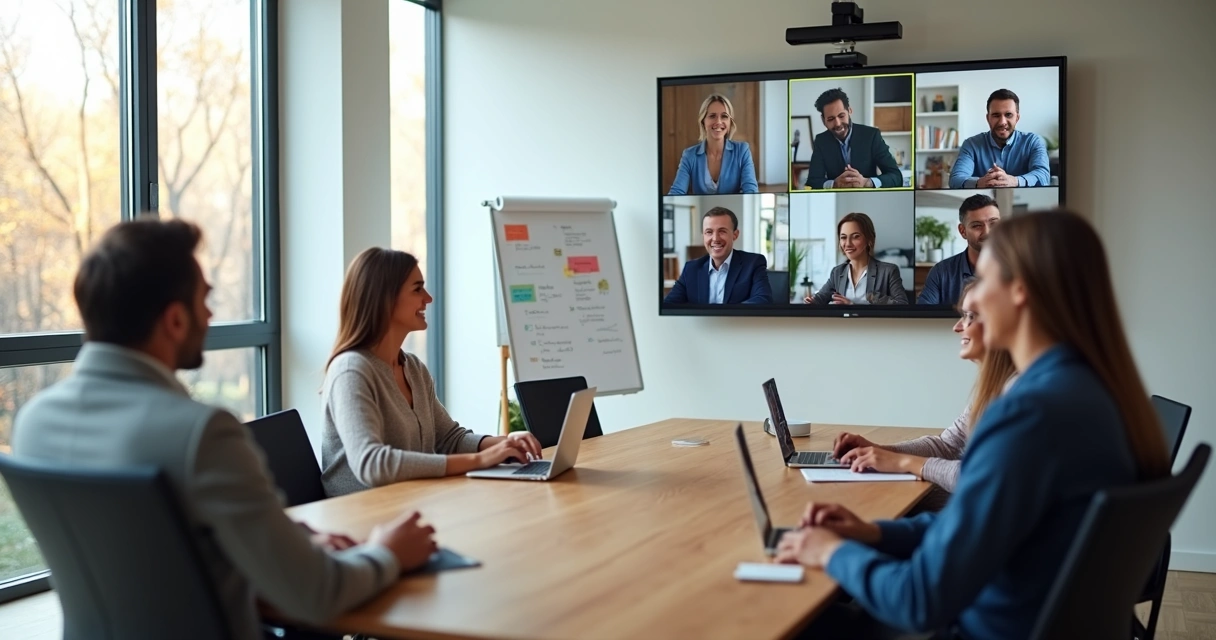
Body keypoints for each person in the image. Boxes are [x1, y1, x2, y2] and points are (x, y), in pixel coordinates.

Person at [12, 218, 438, 640]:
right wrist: (387, 552)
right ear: (175, 320)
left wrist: (295, 537)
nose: (212, 314)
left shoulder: (32, 424)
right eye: (205, 300)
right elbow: (317, 595)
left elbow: (154, 556)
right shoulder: (202, 434)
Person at [776, 210, 1169, 640]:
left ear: (1020, 290)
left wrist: (833, 553)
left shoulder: (1029, 414)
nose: (972, 302)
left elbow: (920, 600)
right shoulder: (1093, 391)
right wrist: (871, 532)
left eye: (982, 281)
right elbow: (974, 524)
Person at [321, 248, 544, 497]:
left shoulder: (413, 368)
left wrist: (504, 444)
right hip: (360, 518)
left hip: (410, 504)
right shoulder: (351, 370)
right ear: (384, 299)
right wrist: (479, 460)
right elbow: (372, 464)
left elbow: (449, 439)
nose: (428, 298)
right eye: (417, 289)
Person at [831, 282, 1018, 512]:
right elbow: (947, 445)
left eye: (970, 316)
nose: (957, 327)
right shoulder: (994, 387)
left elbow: (984, 477)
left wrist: (903, 463)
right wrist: (880, 450)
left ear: (998, 322)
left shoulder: (1016, 393)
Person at [664, 207, 773, 304]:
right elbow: (669, 304)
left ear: (735, 235)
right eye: (709, 232)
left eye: (722, 231)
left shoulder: (753, 263)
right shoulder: (691, 268)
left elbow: (763, 299)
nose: (715, 239)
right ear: (703, 236)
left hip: (738, 326)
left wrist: (724, 315)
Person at [949, 89, 1051, 189]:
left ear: (1017, 118)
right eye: (996, 115)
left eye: (1008, 115)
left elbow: (1043, 176)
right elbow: (955, 179)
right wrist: (980, 182)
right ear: (988, 118)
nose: (1002, 122)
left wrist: (1014, 181)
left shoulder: (1033, 141)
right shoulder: (971, 144)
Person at [805, 88, 903, 189]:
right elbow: (812, 181)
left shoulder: (871, 135)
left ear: (849, 111)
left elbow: (896, 177)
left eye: (841, 116)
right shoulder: (821, 141)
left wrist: (867, 182)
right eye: (831, 119)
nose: (837, 124)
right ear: (823, 120)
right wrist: (834, 184)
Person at [804, 212, 909, 305]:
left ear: (869, 240)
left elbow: (902, 305)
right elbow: (820, 298)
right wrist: (811, 301)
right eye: (843, 237)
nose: (848, 244)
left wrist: (854, 305)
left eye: (855, 236)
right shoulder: (837, 272)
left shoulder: (888, 271)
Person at [917, 194, 1001, 305]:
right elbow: (923, 316)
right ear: (963, 231)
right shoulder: (941, 272)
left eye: (993, 223)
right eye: (977, 225)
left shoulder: (1019, 267)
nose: (987, 232)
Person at [667, 94, 759, 195]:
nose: (718, 122)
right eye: (712, 116)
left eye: (724, 116)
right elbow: (676, 192)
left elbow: (751, 192)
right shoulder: (689, 155)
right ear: (703, 121)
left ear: (730, 122)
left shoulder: (742, 150)